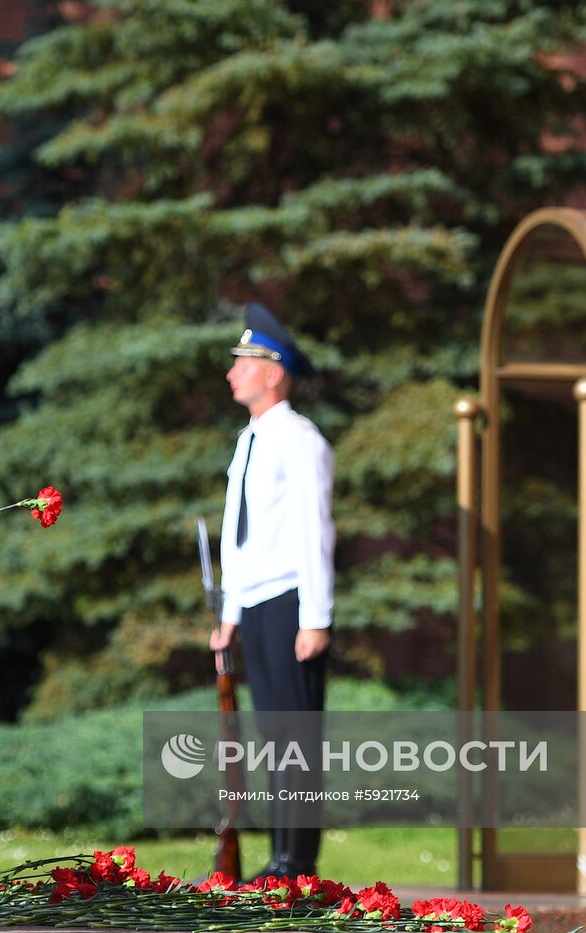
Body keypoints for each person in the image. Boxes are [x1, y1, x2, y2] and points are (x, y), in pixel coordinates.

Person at [209, 301, 334, 879]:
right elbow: (241, 536)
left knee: (295, 734)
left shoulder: (298, 439)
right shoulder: (249, 440)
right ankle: (280, 857)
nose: (232, 373)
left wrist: (316, 615)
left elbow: (313, 531)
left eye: (243, 362)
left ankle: (296, 861)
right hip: (256, 603)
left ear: (273, 370)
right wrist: (230, 612)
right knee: (272, 735)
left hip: (289, 601)